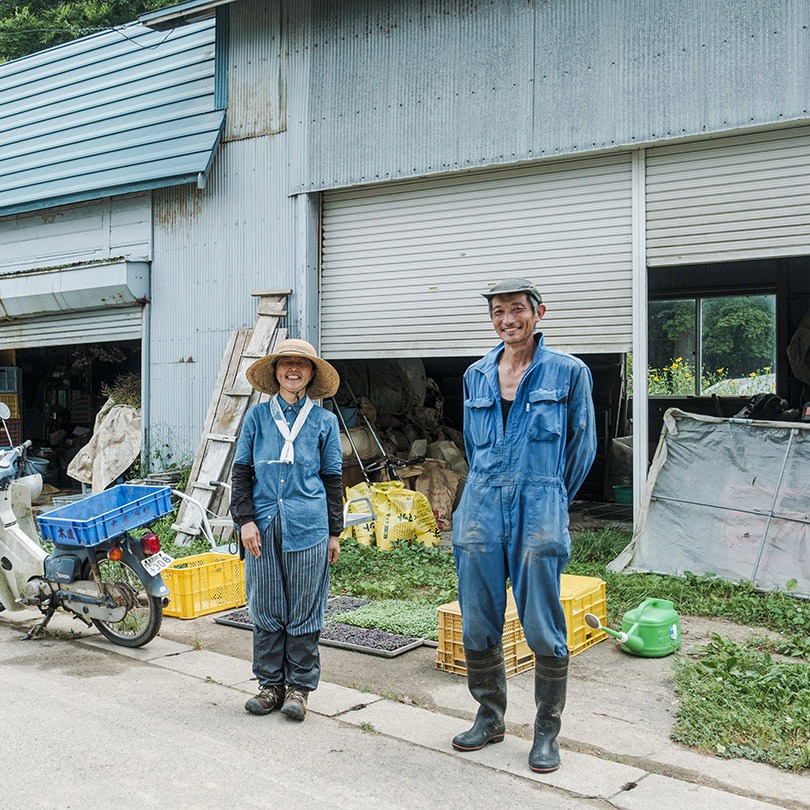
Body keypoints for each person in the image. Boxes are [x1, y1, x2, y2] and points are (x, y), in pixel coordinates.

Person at [450, 278, 596, 773]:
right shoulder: (476, 374)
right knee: (477, 612)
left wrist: (551, 496)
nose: (507, 319)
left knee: (542, 620)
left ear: (539, 313)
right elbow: (473, 446)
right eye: (498, 311)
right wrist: (488, 490)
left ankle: (546, 732)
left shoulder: (569, 372)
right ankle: (489, 717)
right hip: (481, 502)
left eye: (517, 309)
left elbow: (581, 445)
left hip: (540, 501)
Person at [230, 338, 343, 722]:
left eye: (302, 364)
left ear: (312, 374)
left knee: (305, 608)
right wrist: (245, 519)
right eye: (286, 364)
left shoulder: (325, 422)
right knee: (265, 605)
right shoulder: (257, 419)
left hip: (309, 525)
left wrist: (334, 532)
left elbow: (332, 479)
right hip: (261, 525)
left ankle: (298, 688)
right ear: (275, 370)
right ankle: (268, 686)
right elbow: (241, 472)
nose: (293, 370)